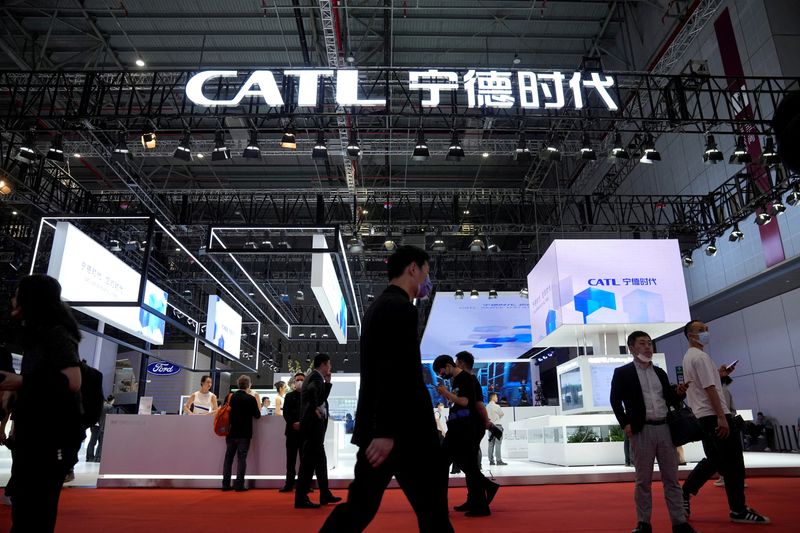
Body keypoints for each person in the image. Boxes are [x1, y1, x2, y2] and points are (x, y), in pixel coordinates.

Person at [321, 245, 454, 533]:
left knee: (362, 508)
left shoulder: (380, 307)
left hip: (391, 432)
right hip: (403, 434)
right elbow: (393, 371)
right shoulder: (399, 308)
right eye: (426, 272)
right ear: (413, 269)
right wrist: (385, 431)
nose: (427, 280)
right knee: (429, 513)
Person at [0, 274, 84, 532]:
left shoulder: (56, 334)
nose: (13, 298)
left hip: (48, 438)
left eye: (17, 293)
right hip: (34, 434)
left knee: (35, 512)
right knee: (27, 510)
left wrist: (22, 382)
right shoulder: (38, 335)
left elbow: (72, 381)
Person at [681, 320, 769, 524]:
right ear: (690, 335)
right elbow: (709, 388)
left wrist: (719, 375)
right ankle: (737, 509)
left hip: (705, 416)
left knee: (717, 460)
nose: (705, 333)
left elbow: (708, 383)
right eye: (700, 330)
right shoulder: (700, 357)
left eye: (706, 330)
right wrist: (722, 416)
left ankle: (685, 492)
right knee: (733, 464)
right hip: (714, 416)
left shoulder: (691, 357)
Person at [609, 331, 696, 533]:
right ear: (631, 348)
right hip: (642, 430)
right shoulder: (622, 373)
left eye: (649, 343)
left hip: (665, 428)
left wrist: (678, 393)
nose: (648, 347)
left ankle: (679, 523)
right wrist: (625, 424)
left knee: (672, 479)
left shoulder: (660, 373)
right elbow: (615, 401)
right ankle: (644, 523)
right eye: (642, 343)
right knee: (643, 481)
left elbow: (669, 400)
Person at [434, 354, 498, 517]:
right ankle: (480, 498)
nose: (441, 375)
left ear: (448, 365)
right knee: (466, 464)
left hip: (465, 428)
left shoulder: (466, 379)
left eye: (441, 371)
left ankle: (480, 501)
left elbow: (465, 402)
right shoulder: (459, 380)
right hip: (459, 427)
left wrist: (446, 393)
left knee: (456, 462)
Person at [295, 353, 341, 508]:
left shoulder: (315, 376)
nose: (330, 367)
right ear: (323, 364)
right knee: (308, 463)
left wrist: (327, 383)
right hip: (313, 426)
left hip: (313, 427)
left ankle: (324, 494)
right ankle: (301, 498)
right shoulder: (315, 377)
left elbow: (321, 398)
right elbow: (314, 392)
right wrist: (315, 407)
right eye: (329, 364)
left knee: (319, 462)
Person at [221, 375, 261, 492]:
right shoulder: (251, 399)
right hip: (245, 433)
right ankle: (239, 484)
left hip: (231, 431)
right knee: (241, 458)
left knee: (228, 458)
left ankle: (225, 484)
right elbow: (257, 416)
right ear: (249, 385)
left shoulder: (230, 397)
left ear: (238, 384)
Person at [279, 372, 305, 492]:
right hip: (291, 432)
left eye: (301, 380)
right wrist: (293, 423)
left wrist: (302, 424)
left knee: (304, 460)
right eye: (297, 380)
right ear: (294, 383)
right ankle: (289, 483)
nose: (299, 382)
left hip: (305, 432)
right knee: (291, 460)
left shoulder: (308, 395)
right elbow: (286, 413)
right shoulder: (289, 396)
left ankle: (304, 484)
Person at [87, 395, 115, 463]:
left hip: (94, 425)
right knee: (101, 443)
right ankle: (98, 458)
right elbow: (111, 418)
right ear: (113, 400)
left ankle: (89, 457)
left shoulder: (98, 406)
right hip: (102, 426)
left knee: (92, 442)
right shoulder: (109, 407)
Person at [486, 393, 507, 466]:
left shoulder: (487, 406)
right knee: (498, 444)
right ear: (493, 397)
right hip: (497, 426)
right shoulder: (497, 406)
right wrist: (496, 418)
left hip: (490, 427)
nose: (497, 398)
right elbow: (501, 414)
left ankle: (491, 461)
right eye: (496, 397)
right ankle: (499, 460)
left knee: (491, 444)